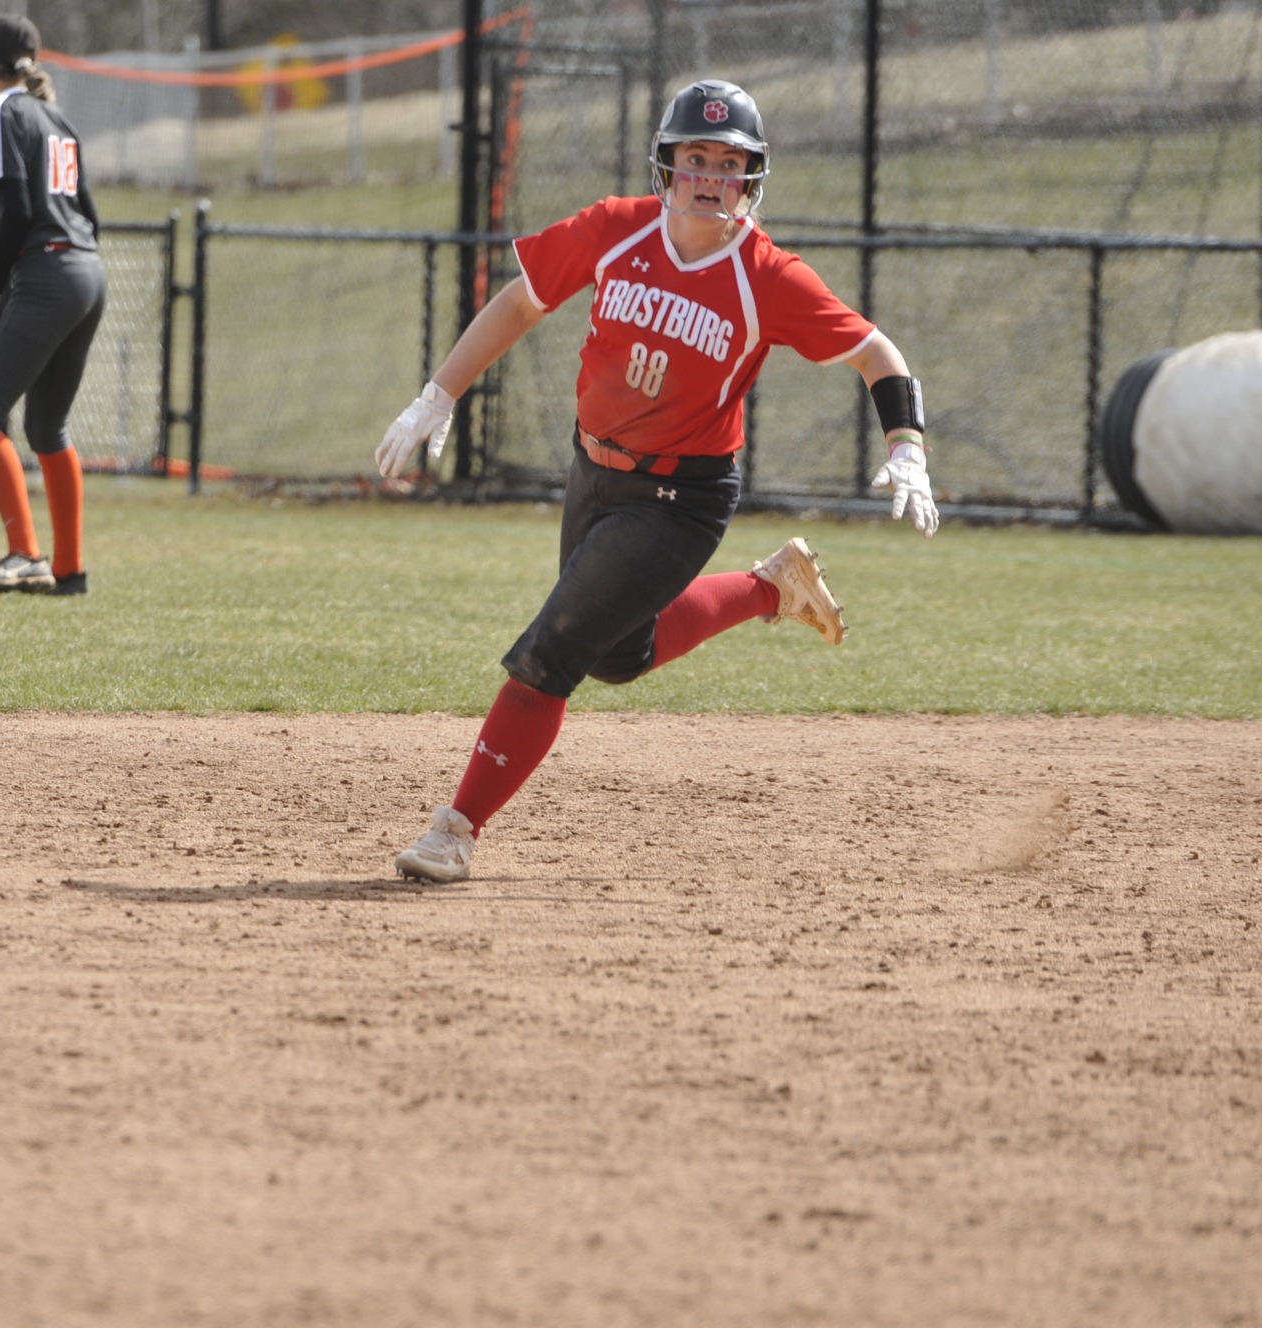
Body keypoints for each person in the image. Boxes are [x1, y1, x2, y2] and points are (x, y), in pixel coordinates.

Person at [374, 79, 939, 884]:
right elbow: (523, 301)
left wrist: (907, 445)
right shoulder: (615, 229)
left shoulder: (767, 276)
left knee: (552, 651)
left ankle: (455, 829)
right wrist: (439, 394)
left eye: (730, 163)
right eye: (696, 157)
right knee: (617, 656)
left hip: (682, 498)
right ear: (667, 165)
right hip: (594, 471)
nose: (711, 176)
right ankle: (771, 588)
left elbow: (877, 353)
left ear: (751, 178)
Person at [0, 15, 103, 596]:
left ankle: (26, 555)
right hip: (86, 272)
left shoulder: (0, 111)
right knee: (46, 426)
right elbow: (88, 213)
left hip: (47, 271)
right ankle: (69, 571)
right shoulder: (56, 117)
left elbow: (16, 210)